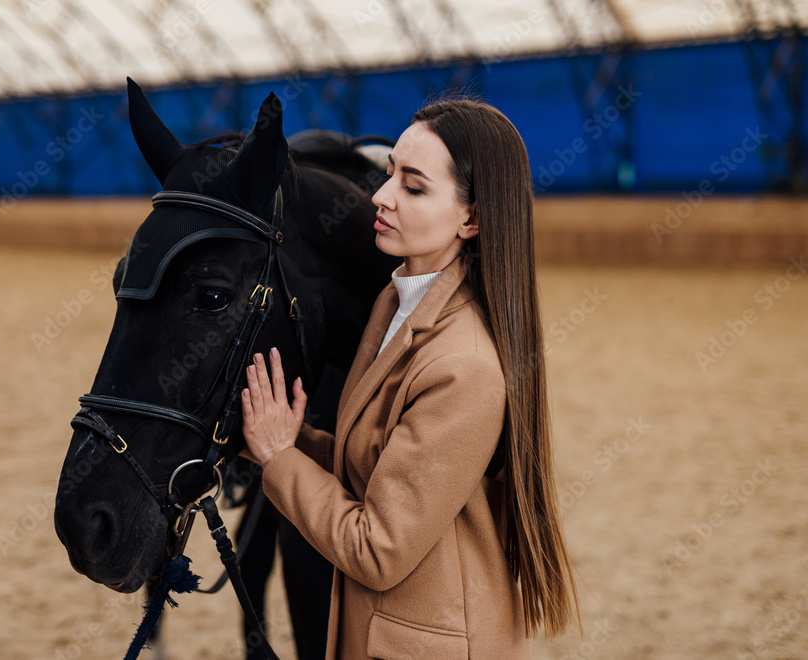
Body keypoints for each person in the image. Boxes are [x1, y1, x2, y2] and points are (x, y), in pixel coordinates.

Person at [240, 96, 580, 659]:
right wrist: (281, 437)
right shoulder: (393, 305)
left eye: (413, 186)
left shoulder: (462, 367)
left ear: (471, 218)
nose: (380, 195)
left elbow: (377, 549)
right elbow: (377, 466)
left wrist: (280, 463)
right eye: (390, 172)